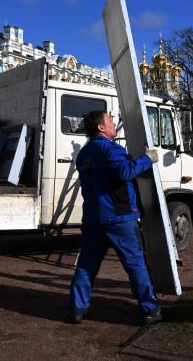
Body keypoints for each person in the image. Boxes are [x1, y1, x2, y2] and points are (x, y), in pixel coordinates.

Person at [69, 110, 162, 325]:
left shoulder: (84, 154)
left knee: (86, 265)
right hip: (119, 217)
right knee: (135, 263)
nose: (113, 123)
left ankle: (77, 309)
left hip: (93, 218)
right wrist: (147, 160)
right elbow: (125, 172)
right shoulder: (110, 149)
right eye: (110, 120)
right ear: (101, 127)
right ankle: (150, 309)